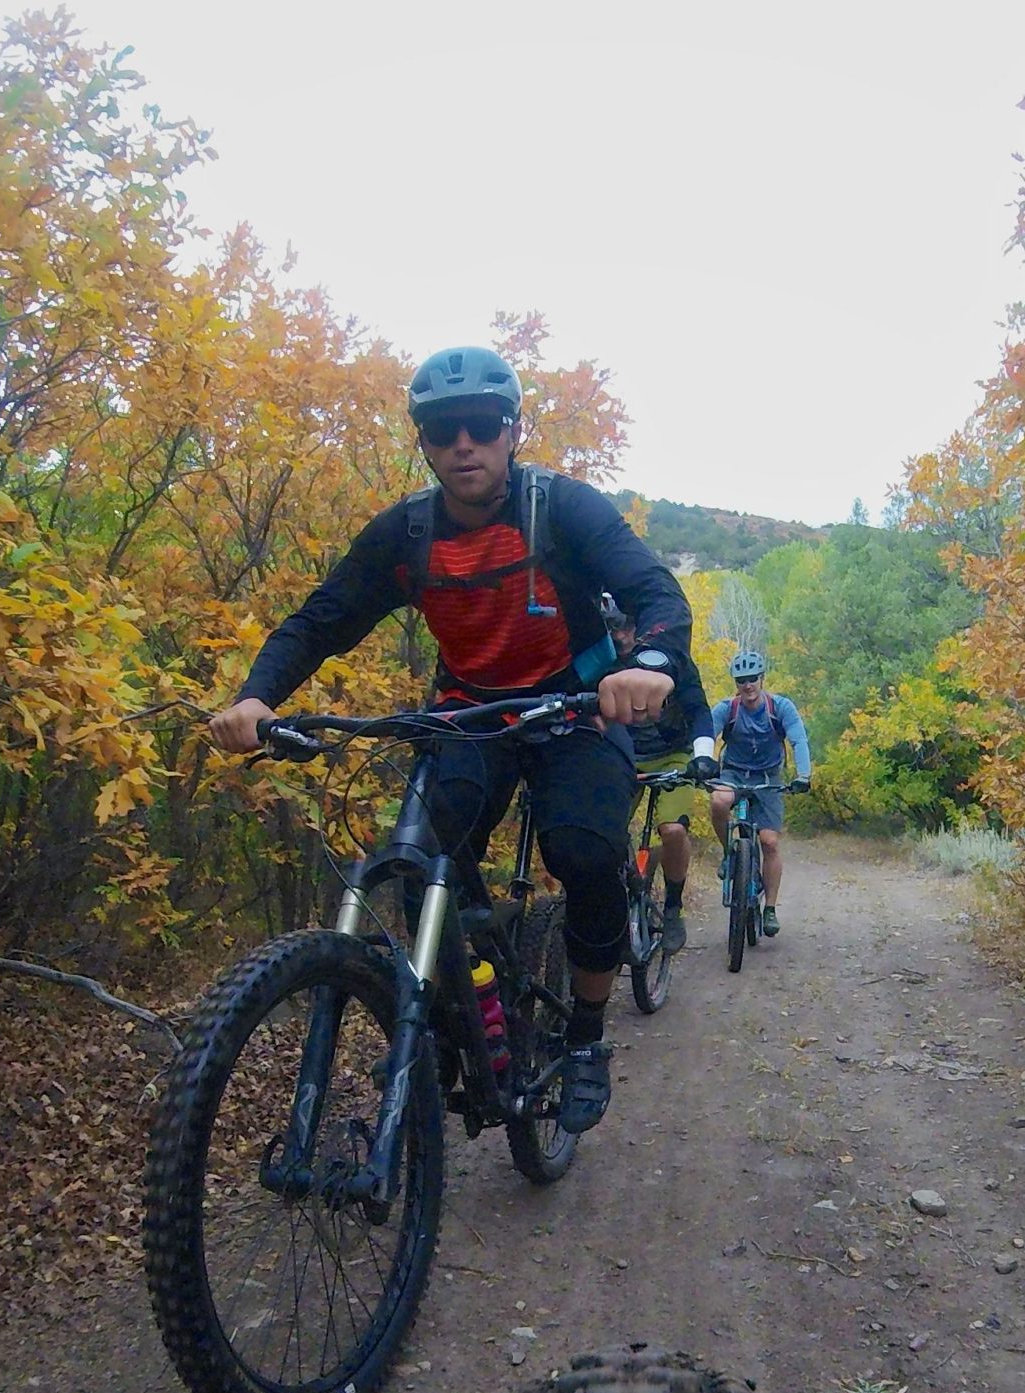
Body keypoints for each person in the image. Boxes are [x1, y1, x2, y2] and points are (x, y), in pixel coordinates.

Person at [206, 345, 693, 1133]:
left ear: (511, 430)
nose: (462, 442)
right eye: (441, 429)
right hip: (470, 712)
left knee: (581, 851)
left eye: (480, 424)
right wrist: (257, 698)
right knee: (422, 851)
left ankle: (585, 1039)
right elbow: (321, 621)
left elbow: (654, 591)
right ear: (424, 442)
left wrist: (650, 664)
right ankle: (475, 1000)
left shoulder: (562, 509)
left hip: (574, 710)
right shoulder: (407, 535)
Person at [614, 593, 718, 954]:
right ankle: (612, 910)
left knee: (673, 830)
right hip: (623, 756)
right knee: (600, 833)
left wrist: (703, 756)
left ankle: (673, 908)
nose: (622, 636)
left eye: (628, 627)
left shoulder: (674, 662)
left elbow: (699, 711)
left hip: (672, 755)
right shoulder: (602, 663)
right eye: (614, 627)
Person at [708, 650, 812, 937]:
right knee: (719, 800)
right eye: (742, 680)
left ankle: (770, 909)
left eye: (753, 678)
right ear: (736, 683)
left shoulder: (780, 708)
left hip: (768, 777)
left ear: (762, 679)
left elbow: (798, 739)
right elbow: (707, 735)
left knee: (769, 842)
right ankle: (730, 854)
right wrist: (701, 764)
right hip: (733, 773)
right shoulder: (726, 709)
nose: (748, 685)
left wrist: (804, 775)